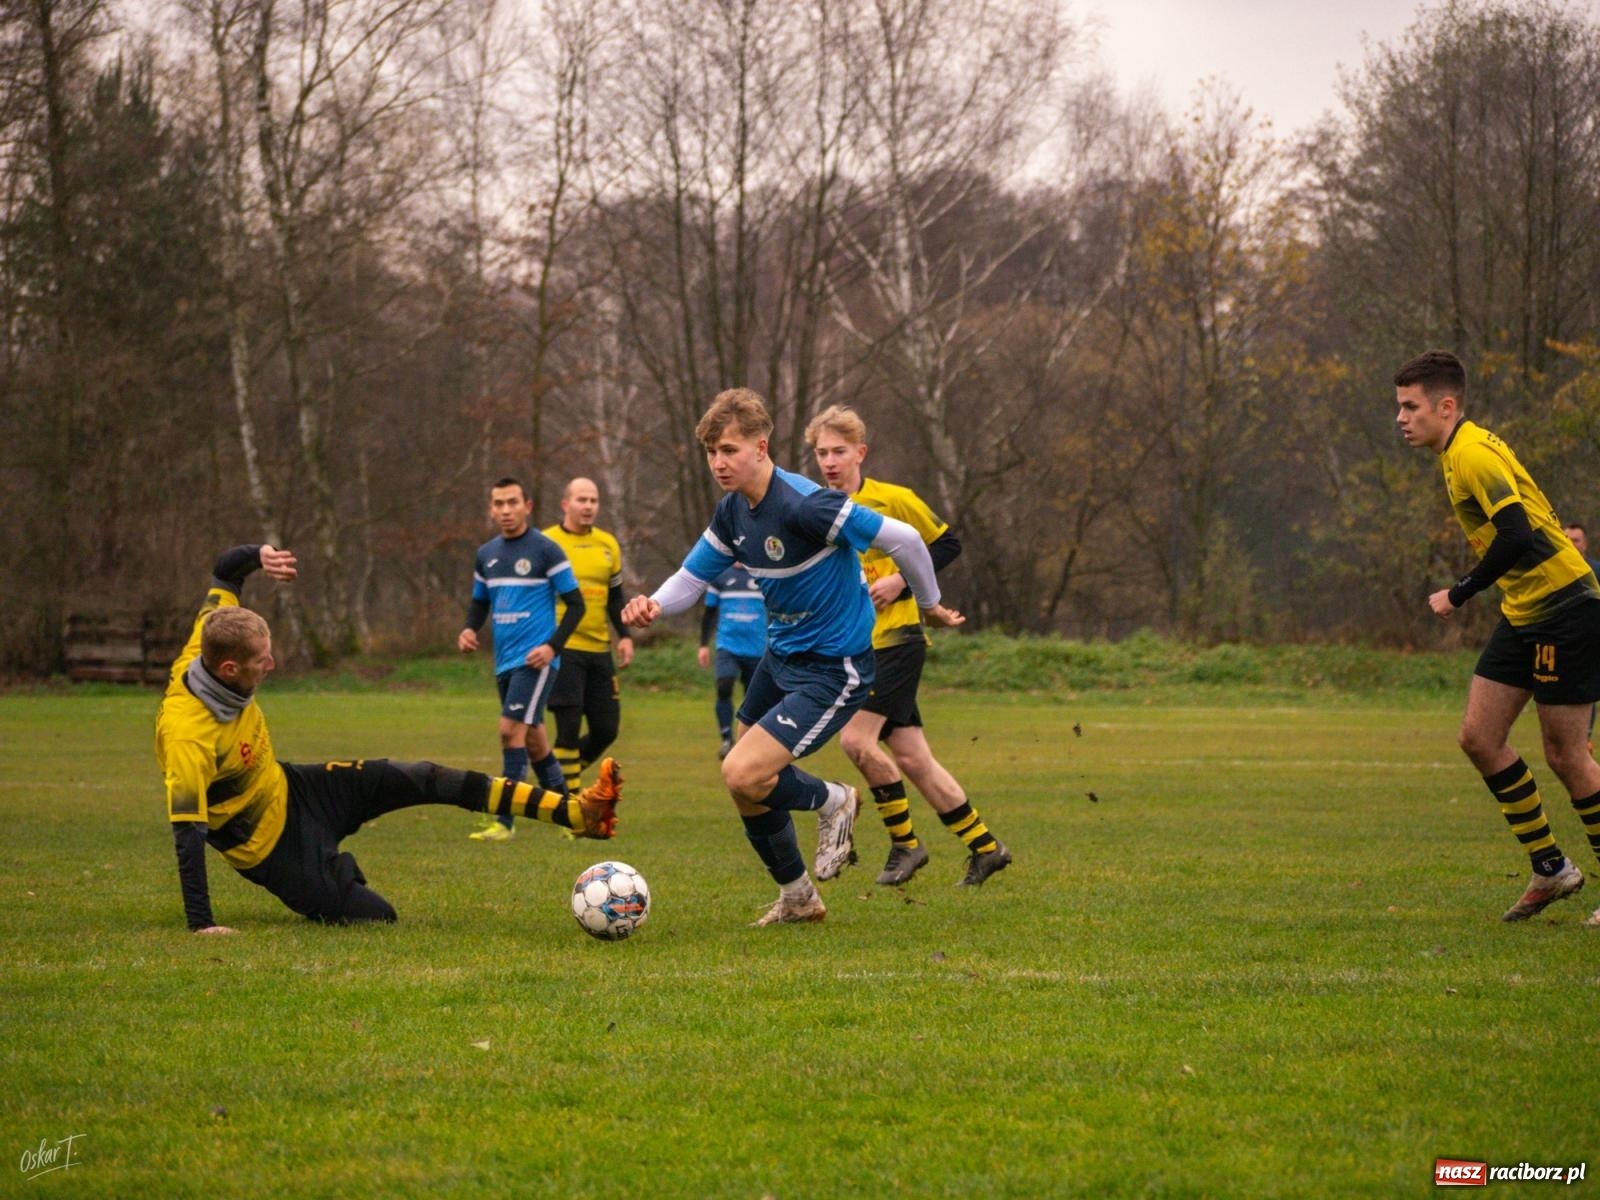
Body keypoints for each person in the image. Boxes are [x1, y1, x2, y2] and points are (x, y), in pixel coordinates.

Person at [622, 388, 964, 927]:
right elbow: (692, 577)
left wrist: (929, 604)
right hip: (781, 662)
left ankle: (834, 800)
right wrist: (653, 605)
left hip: (835, 669)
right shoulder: (734, 511)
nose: (718, 463)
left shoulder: (808, 505)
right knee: (746, 786)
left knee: (742, 771)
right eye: (711, 452)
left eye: (729, 450)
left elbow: (907, 541)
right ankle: (800, 899)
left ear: (762, 447)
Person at [156, 543, 623, 932]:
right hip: (275, 852)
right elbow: (187, 836)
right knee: (377, 917)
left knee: (422, 777)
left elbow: (225, 570)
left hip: (297, 789)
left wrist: (259, 555)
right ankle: (335, 871)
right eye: (263, 661)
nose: (272, 666)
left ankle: (576, 813)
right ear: (229, 669)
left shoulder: (210, 634)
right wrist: (202, 924)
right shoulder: (187, 736)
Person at [1396, 349, 1600, 925]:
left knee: (1567, 755)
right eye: (1400, 407)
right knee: (1478, 737)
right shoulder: (1455, 452)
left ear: (1446, 405)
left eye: (1411, 407)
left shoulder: (1474, 455)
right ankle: (1551, 867)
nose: (1401, 418)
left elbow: (1516, 533)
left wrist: (1458, 592)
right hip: (1525, 609)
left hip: (1565, 606)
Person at [806, 405, 1011, 887]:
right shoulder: (814, 507)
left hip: (895, 642)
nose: (830, 461)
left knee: (856, 741)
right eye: (821, 453)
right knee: (914, 757)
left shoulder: (893, 500)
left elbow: (945, 544)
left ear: (861, 452)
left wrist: (901, 581)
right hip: (853, 646)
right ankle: (986, 848)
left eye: (839, 451)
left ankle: (906, 845)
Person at [459, 477, 587, 841]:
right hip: (504, 662)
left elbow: (576, 605)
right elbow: (480, 601)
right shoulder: (486, 554)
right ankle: (571, 817)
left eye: (512, 502)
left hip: (535, 662)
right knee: (534, 742)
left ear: (527, 506)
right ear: (491, 509)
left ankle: (505, 821)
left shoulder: (546, 551)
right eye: (498, 504)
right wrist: (469, 629)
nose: (505, 511)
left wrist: (551, 648)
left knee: (508, 730)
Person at [544, 477, 635, 792]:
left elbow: (615, 597)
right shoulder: (547, 543)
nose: (588, 506)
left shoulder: (608, 544)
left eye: (593, 500)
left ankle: (553, 781)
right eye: (581, 500)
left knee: (606, 729)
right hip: (562, 647)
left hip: (600, 650)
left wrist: (624, 635)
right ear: (565, 504)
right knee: (567, 730)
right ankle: (567, 804)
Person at [697, 562, 767, 759]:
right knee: (724, 686)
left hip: (757, 648)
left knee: (754, 698)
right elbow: (709, 613)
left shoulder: (763, 573)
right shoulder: (720, 576)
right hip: (728, 646)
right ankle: (727, 738)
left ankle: (750, 743)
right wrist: (703, 645)